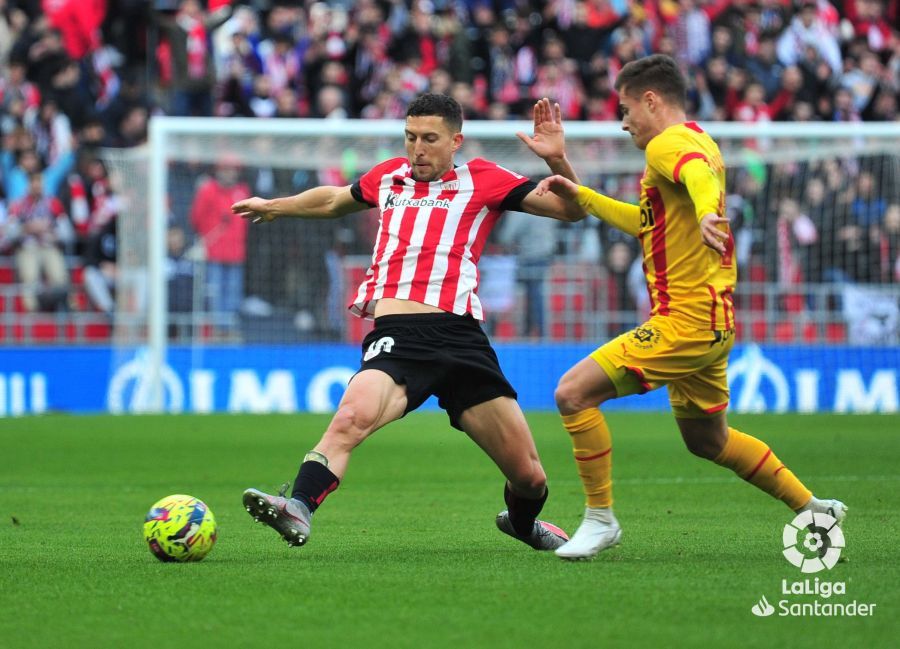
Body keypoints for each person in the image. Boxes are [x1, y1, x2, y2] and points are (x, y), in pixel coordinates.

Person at [231, 93, 584, 551]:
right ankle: (297, 506)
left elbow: (572, 210)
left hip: (461, 340)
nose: (417, 148)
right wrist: (278, 205)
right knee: (350, 418)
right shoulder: (389, 177)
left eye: (429, 138)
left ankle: (521, 523)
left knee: (530, 476)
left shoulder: (485, 180)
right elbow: (335, 200)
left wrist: (558, 159)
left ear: (455, 141)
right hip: (398, 337)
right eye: (410, 137)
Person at [531, 54, 847, 560]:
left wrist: (705, 213)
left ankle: (599, 519)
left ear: (651, 100)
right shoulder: (701, 138)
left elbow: (697, 177)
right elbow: (646, 223)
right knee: (708, 441)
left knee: (572, 394)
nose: (623, 119)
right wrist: (584, 195)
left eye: (627, 107)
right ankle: (812, 507)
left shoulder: (668, 144)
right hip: (714, 323)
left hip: (686, 322)